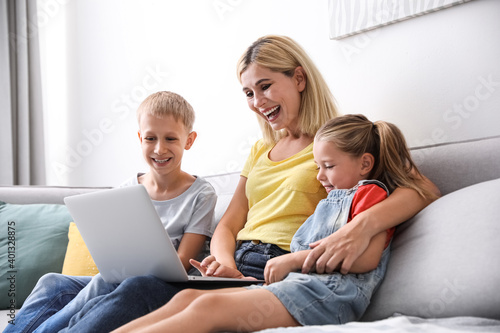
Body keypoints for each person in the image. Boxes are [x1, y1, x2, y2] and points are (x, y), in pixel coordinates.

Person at [12, 35, 438, 333]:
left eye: (266, 86)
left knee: (140, 287)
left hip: (269, 266)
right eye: (248, 93)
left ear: (300, 79)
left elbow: (421, 189)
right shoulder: (260, 151)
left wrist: (359, 227)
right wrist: (222, 261)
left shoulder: (338, 148)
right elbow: (228, 225)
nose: (258, 102)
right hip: (230, 265)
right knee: (58, 284)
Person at [112, 114, 439, 332]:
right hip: (294, 285)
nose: (319, 176)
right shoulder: (329, 200)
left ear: (365, 163)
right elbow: (229, 225)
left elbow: (365, 258)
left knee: (208, 306)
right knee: (186, 298)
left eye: (327, 166)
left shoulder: (370, 195)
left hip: (328, 297)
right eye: (317, 166)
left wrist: (292, 260)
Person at [3, 91, 217, 333]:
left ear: (189, 140)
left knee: (105, 281)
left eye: (170, 139)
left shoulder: (201, 194)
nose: (159, 149)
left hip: (162, 285)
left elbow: (183, 261)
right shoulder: (128, 189)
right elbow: (113, 249)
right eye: (150, 138)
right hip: (119, 277)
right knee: (52, 281)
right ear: (140, 138)